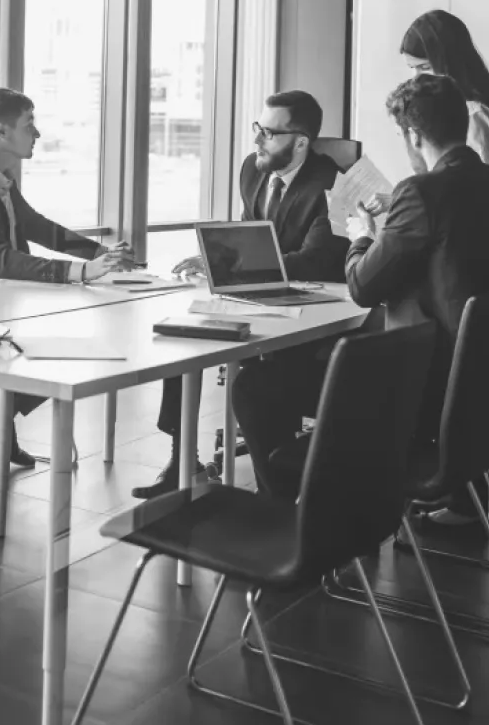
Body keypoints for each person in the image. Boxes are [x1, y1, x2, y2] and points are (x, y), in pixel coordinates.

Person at [234, 75, 489, 517]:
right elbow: (466, 267)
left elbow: (362, 287)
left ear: (414, 136)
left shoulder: (421, 194)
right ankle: (457, 501)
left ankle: (286, 518)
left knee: (257, 385)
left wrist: (362, 236)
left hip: (424, 392)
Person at [141, 90, 349, 500]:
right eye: (258, 128)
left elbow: (316, 259)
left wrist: (239, 267)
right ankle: (184, 461)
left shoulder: (332, 185)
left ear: (301, 141)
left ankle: (278, 489)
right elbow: (248, 235)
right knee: (185, 334)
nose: (257, 140)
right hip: (253, 292)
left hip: (309, 304)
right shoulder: (252, 171)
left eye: (269, 133)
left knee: (262, 384)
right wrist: (216, 259)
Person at [0, 87, 133, 478]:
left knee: (62, 348)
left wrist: (99, 255)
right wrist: (81, 273)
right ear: (2, 132)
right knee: (52, 352)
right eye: (29, 125)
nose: (37, 133)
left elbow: (35, 225)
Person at [398, 9, 489, 177]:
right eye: (412, 68)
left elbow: (484, 194)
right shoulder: (447, 109)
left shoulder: (475, 116)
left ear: (449, 63)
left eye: (425, 67)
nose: (416, 79)